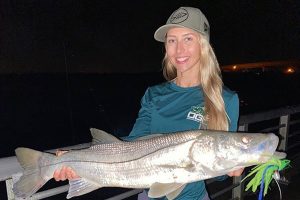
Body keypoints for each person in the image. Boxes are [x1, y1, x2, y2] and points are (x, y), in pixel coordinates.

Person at [54, 6, 244, 200]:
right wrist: (78, 159)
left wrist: (232, 168)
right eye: (172, 40)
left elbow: (219, 174)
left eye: (188, 39)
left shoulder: (225, 99)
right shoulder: (154, 94)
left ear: (203, 44)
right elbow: (133, 144)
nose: (179, 49)